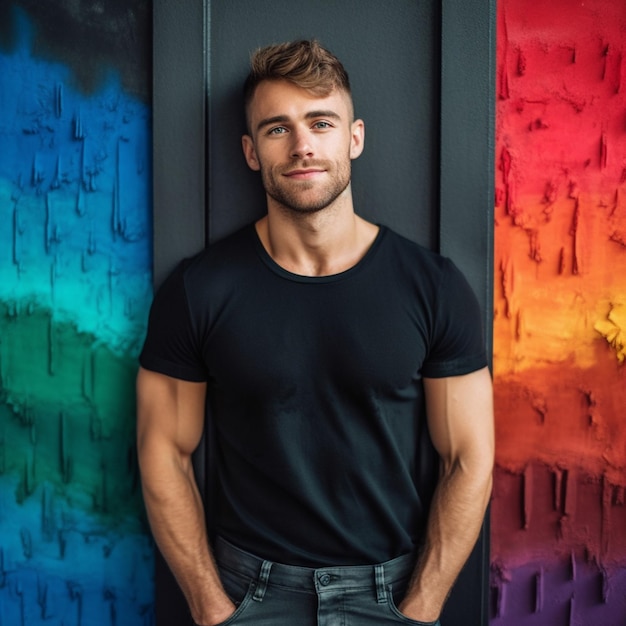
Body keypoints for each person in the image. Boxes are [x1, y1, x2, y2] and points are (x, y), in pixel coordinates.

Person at [136, 39, 494, 626]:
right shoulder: (197, 290)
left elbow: (469, 457)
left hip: (393, 593)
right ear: (251, 152)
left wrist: (422, 608)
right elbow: (162, 451)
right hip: (247, 592)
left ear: (353, 137)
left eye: (320, 123)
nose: (303, 145)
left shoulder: (434, 287)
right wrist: (209, 607)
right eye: (278, 129)